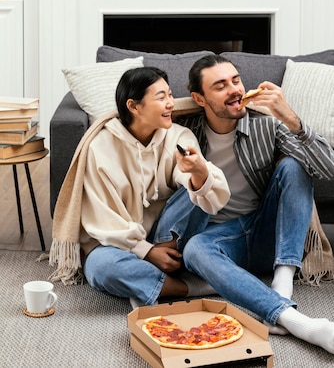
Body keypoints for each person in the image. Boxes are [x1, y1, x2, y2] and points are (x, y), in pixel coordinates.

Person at [177, 54, 334, 356]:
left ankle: (283, 281)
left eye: (236, 81)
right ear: (199, 98)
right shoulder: (183, 133)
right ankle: (289, 318)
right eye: (220, 86)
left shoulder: (268, 124)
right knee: (194, 249)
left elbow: (331, 171)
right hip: (221, 242)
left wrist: (290, 118)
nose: (234, 90)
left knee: (294, 166)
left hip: (267, 232)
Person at [49, 66, 230, 309]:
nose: (171, 104)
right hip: (120, 246)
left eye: (170, 95)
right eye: (161, 97)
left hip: (168, 239)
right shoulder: (100, 147)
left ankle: (147, 283)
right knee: (100, 267)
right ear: (134, 106)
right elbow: (104, 220)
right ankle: (193, 287)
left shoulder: (178, 136)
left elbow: (205, 197)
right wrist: (147, 252)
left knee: (199, 186)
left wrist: (197, 170)